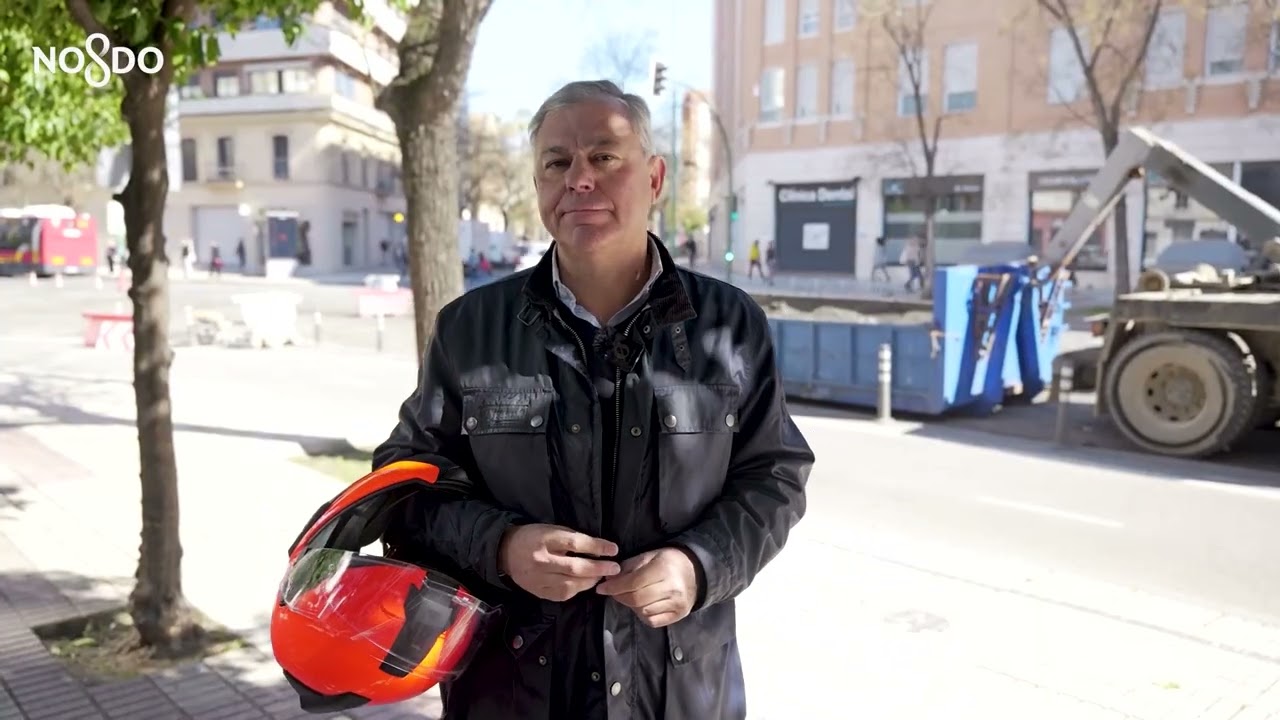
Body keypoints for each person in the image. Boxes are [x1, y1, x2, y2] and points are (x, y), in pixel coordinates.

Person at [373, 79, 814, 720]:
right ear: (538, 186)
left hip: (679, 693)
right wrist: (501, 547)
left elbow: (775, 475)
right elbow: (403, 487)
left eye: (605, 156)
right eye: (557, 161)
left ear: (655, 177)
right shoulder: (469, 329)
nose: (580, 178)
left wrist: (700, 565)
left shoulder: (730, 324)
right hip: (512, 690)